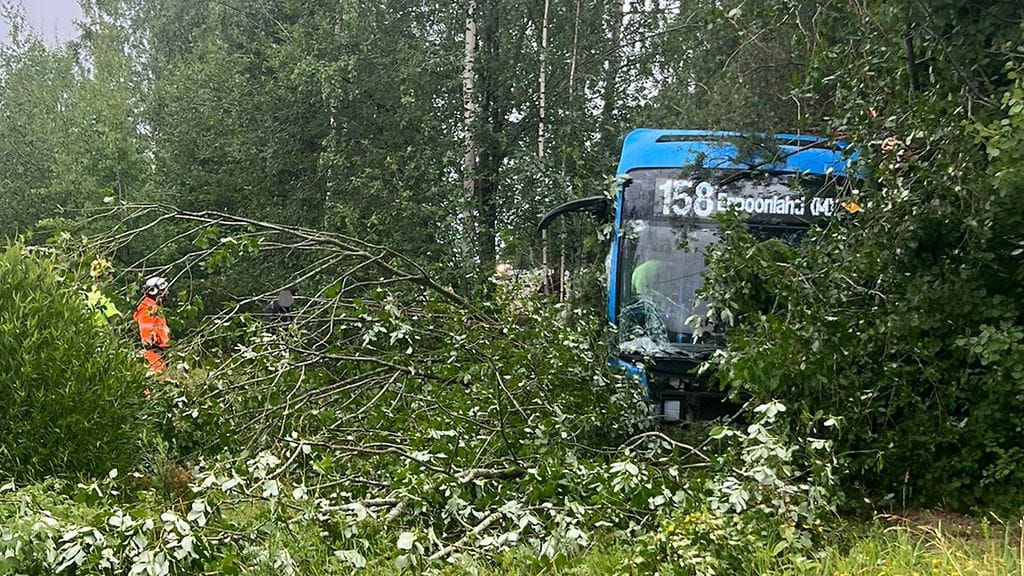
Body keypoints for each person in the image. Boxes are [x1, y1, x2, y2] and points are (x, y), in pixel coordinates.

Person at [133, 276, 171, 373]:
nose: (167, 293)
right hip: (153, 353)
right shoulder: (149, 309)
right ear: (156, 292)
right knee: (155, 381)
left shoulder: (154, 307)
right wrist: (152, 346)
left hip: (159, 352)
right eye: (164, 291)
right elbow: (146, 333)